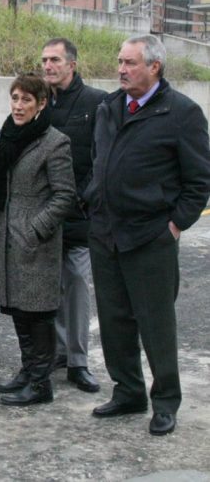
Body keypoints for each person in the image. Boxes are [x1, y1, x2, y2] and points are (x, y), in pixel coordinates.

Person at [85, 35, 210, 435]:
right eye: (119, 61)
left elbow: (199, 180)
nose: (120, 69)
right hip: (106, 235)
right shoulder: (108, 107)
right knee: (114, 321)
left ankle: (165, 402)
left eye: (130, 63)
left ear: (154, 67)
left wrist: (174, 226)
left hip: (149, 238)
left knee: (156, 325)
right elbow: (97, 162)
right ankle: (128, 391)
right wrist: (93, 200)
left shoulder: (182, 113)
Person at [0, 73, 76, 406]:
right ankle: (28, 371)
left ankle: (40, 384)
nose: (18, 106)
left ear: (41, 104)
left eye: (26, 100)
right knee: (19, 311)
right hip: (3, 237)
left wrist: (35, 229)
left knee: (38, 314)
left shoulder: (55, 142)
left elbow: (65, 196)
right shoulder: (3, 136)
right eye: (15, 98)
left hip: (35, 244)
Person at [41, 38, 106, 393]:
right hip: (43, 215)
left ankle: (79, 362)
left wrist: (84, 199)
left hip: (79, 214)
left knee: (78, 285)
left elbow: (102, 159)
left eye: (54, 60)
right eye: (44, 60)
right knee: (47, 288)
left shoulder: (97, 103)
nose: (48, 66)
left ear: (72, 64)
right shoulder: (38, 102)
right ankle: (56, 353)